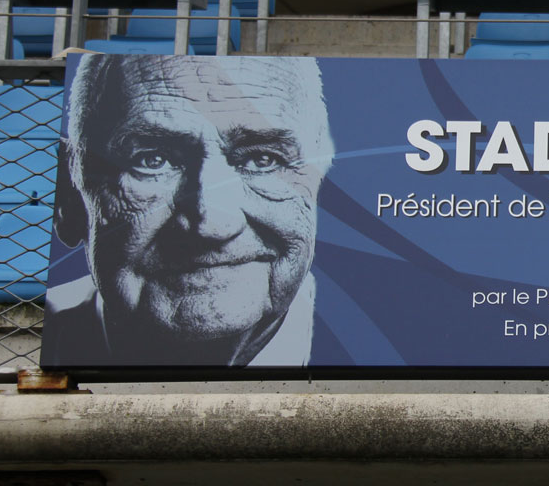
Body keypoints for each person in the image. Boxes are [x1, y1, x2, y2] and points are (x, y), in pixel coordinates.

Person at [46, 54, 334, 366]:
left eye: (262, 160)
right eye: (152, 160)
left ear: (319, 184)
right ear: (69, 199)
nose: (211, 223)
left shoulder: (361, 337)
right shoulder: (48, 325)